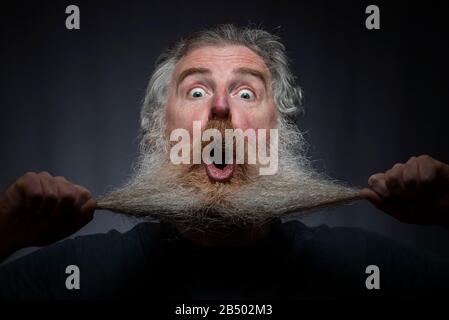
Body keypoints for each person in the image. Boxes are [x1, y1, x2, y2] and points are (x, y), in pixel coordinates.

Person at [0, 24, 448, 299]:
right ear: (159, 130)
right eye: (195, 91)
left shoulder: (364, 270)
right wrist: (5, 232)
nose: (219, 105)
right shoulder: (77, 277)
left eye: (246, 92)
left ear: (278, 131)